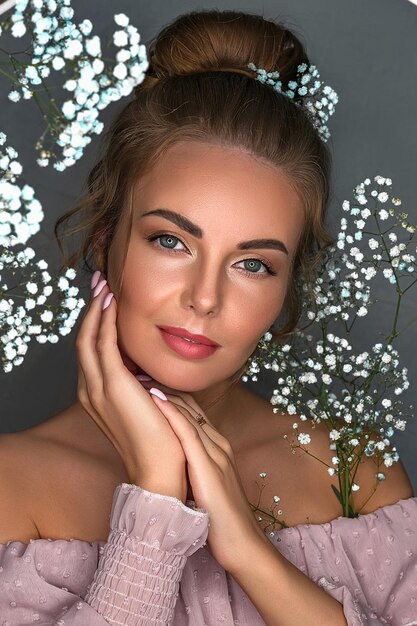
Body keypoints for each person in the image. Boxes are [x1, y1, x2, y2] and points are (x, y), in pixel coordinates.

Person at [0, 8, 415, 626]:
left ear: (285, 295)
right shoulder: (12, 486)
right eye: (171, 241)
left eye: (253, 264)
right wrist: (155, 503)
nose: (205, 297)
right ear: (105, 241)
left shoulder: (358, 477)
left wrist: (251, 554)